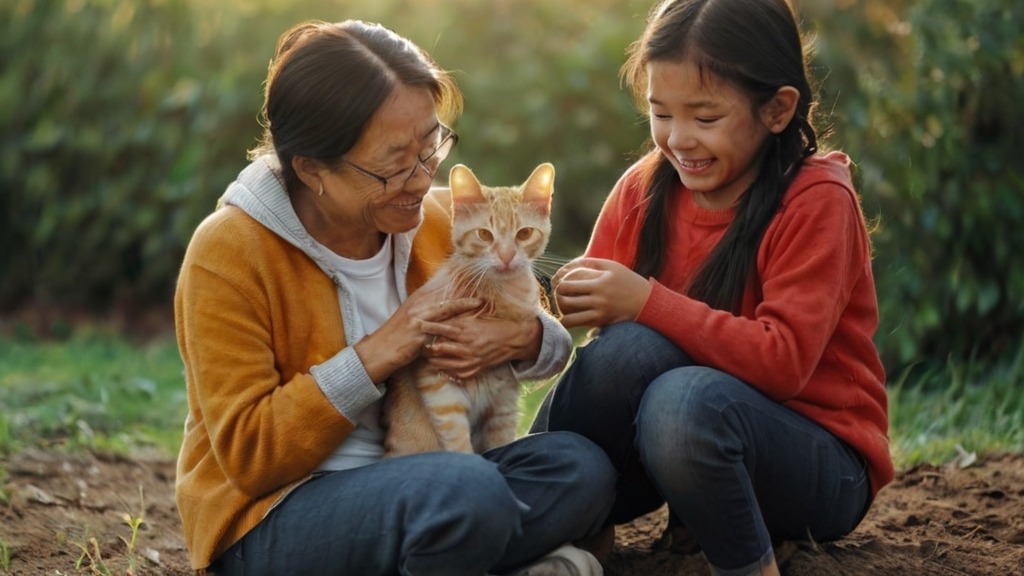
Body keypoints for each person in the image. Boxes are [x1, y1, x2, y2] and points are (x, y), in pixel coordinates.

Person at [173, 19, 615, 576]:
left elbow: (536, 334)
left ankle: (460, 550)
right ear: (312, 169)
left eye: (430, 145)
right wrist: (387, 346)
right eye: (394, 162)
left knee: (582, 468)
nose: (422, 175)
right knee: (465, 493)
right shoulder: (230, 250)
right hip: (278, 511)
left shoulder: (429, 218)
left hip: (429, 477)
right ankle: (488, 548)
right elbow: (251, 456)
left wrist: (525, 336)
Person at [530, 0, 894, 575]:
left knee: (682, 402)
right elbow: (592, 328)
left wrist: (646, 301)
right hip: (678, 455)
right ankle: (547, 521)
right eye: (660, 113)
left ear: (777, 109)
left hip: (817, 460)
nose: (679, 140)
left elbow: (783, 363)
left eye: (704, 118)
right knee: (625, 352)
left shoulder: (817, 200)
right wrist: (545, 306)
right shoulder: (646, 186)